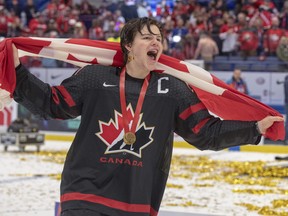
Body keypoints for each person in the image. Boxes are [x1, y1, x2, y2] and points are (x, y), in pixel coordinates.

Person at [12, 17, 283, 216]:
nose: (156, 41)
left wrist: (255, 128)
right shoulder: (94, 78)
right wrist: (14, 70)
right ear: (128, 45)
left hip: (136, 200)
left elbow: (205, 133)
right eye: (146, 37)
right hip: (84, 194)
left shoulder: (173, 90)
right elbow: (52, 103)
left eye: (159, 38)